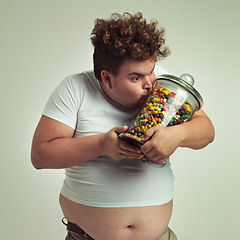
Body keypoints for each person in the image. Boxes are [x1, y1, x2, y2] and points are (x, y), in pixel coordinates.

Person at [31, 12, 215, 240]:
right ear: (107, 79)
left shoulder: (160, 83)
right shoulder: (75, 88)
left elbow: (207, 131)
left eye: (152, 70)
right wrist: (100, 145)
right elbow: (40, 155)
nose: (150, 84)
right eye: (136, 78)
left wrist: (178, 134)